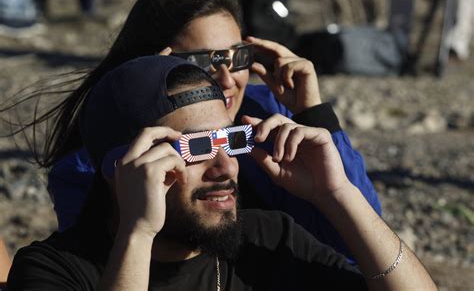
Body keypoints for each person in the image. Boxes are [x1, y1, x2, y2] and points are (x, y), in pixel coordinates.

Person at [6, 0, 380, 259]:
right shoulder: (94, 163)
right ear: (156, 60)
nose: (227, 78)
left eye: (238, 57)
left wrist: (314, 116)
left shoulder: (268, 118)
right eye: (204, 61)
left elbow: (358, 245)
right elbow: (97, 268)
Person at [6, 55, 437, 290]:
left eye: (231, 141)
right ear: (121, 166)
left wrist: (338, 193)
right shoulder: (54, 270)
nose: (225, 166)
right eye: (195, 147)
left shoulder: (268, 241)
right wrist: (137, 235)